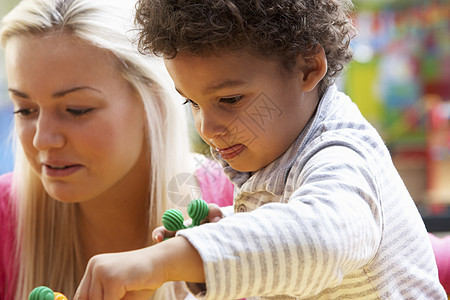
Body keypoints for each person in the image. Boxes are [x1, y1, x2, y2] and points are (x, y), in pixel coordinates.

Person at [74, 0, 447, 299]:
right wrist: (232, 228)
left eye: (230, 99)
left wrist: (166, 260)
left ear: (307, 67)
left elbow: (320, 239)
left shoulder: (341, 152)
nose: (206, 127)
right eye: (193, 103)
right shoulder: (276, 154)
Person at [0, 0, 233, 299]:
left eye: (76, 109)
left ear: (154, 107)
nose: (42, 140)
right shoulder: (5, 221)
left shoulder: (239, 207)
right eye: (25, 110)